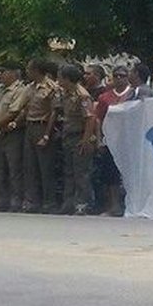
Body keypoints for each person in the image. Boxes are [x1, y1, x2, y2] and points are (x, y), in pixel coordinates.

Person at [17, 58, 60, 213]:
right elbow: (23, 108)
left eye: (29, 69)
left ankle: (49, 202)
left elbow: (54, 112)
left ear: (36, 70)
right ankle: (31, 201)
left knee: (45, 167)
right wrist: (16, 122)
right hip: (29, 126)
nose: (27, 72)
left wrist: (47, 135)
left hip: (43, 126)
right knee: (29, 166)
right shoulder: (30, 88)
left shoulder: (51, 87)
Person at [94, 66, 136, 216]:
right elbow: (98, 119)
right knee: (111, 174)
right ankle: (114, 205)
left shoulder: (133, 94)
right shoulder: (104, 97)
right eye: (116, 76)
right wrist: (99, 139)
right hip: (110, 140)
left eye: (122, 75)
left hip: (129, 141)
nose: (119, 78)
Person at [0, 62, 26, 212]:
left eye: (3, 71)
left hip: (13, 133)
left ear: (14, 73)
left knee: (14, 167)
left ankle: (16, 198)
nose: (0, 74)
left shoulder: (20, 90)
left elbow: (14, 111)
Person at [57, 64, 97, 215]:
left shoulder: (82, 95)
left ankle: (82, 202)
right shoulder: (66, 94)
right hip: (68, 136)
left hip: (80, 136)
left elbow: (90, 118)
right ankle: (68, 202)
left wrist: (85, 140)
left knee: (81, 172)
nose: (58, 81)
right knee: (69, 171)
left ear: (67, 79)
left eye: (60, 78)